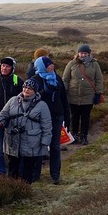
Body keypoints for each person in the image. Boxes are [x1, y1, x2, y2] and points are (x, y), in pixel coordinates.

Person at [0, 79, 52, 184]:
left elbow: (47, 125)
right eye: (25, 87)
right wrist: (0, 122)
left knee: (28, 169)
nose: (26, 90)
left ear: (35, 90)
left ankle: (25, 191)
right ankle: (12, 189)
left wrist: (45, 142)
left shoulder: (42, 105)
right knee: (13, 167)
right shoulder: (12, 100)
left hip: (32, 142)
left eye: (30, 88)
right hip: (13, 140)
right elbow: (4, 114)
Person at [31, 54, 70, 184]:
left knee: (55, 146)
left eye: (52, 64)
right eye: (49, 65)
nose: (52, 66)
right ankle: (35, 174)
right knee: (39, 146)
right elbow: (30, 98)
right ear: (42, 66)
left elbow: (64, 99)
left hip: (57, 117)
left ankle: (55, 175)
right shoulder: (35, 80)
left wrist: (67, 117)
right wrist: (45, 91)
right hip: (39, 119)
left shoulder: (57, 78)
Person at [63, 43, 103, 146]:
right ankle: (74, 135)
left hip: (88, 96)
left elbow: (99, 80)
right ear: (78, 53)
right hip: (73, 95)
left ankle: (84, 136)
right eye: (81, 53)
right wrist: (64, 92)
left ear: (89, 54)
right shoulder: (71, 64)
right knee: (74, 117)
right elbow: (66, 79)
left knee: (86, 117)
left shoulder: (95, 64)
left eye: (85, 53)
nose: (83, 55)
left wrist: (98, 93)